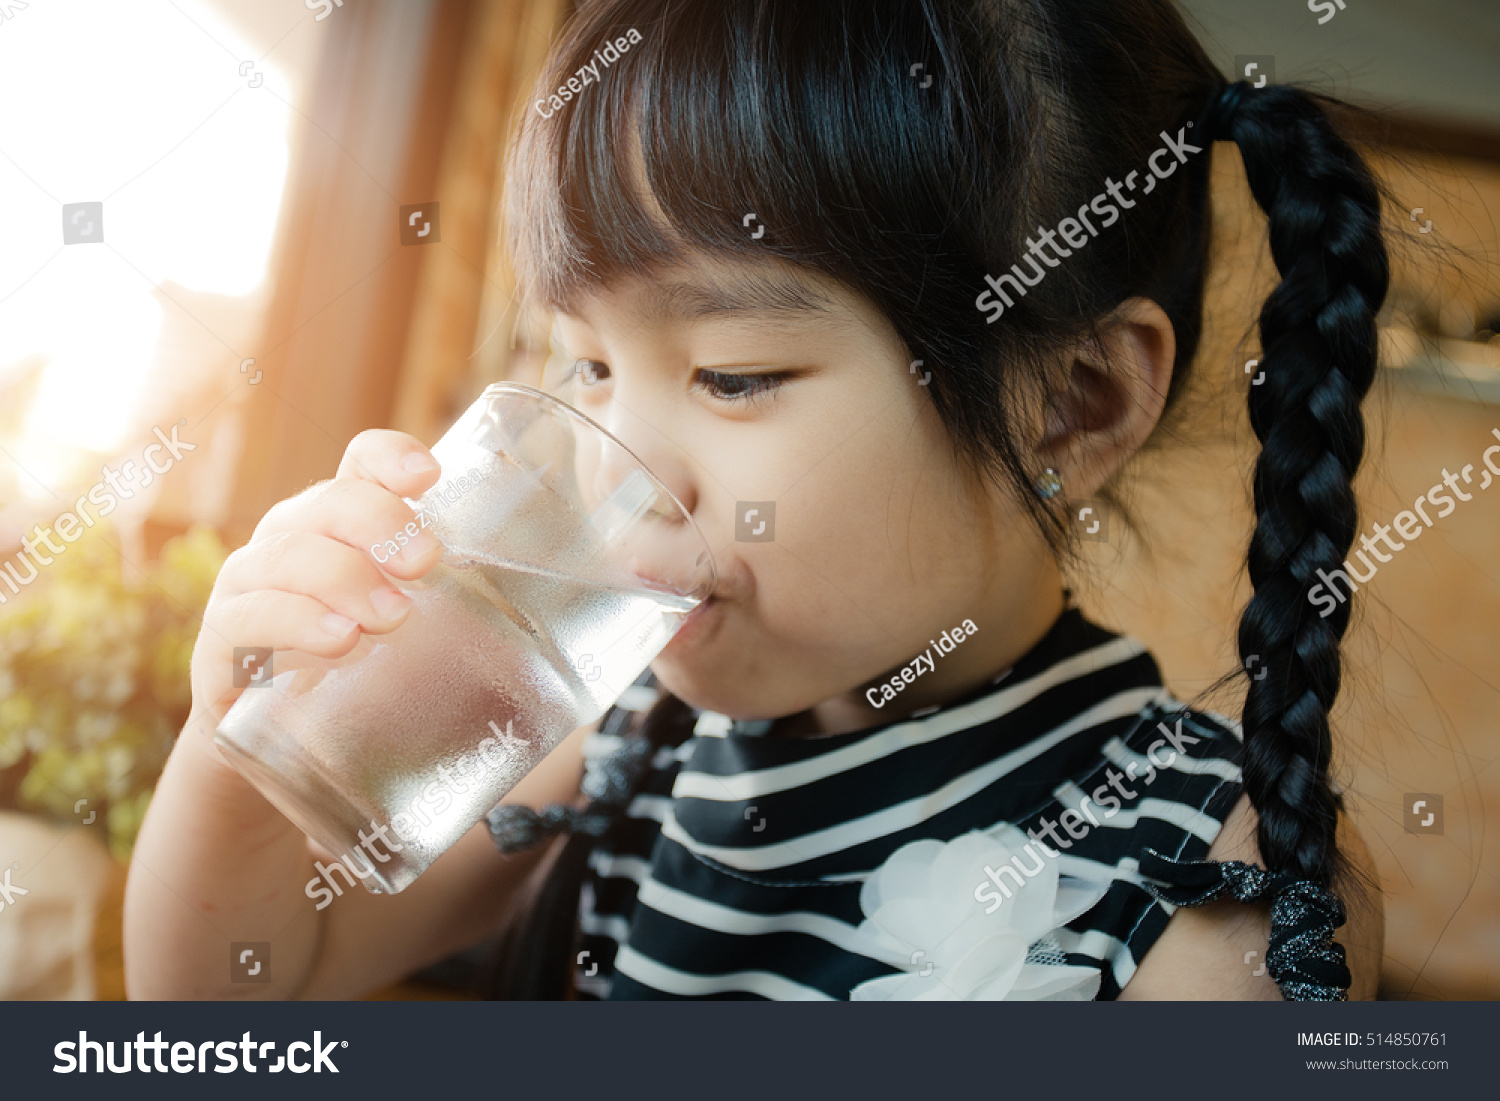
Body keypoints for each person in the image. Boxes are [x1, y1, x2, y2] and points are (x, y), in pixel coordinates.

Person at [125, 0, 1386, 1001]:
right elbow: (241, 989)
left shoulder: (1215, 865)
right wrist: (240, 746)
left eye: (732, 375)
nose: (623, 470)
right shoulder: (618, 745)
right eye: (589, 365)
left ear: (1073, 405)